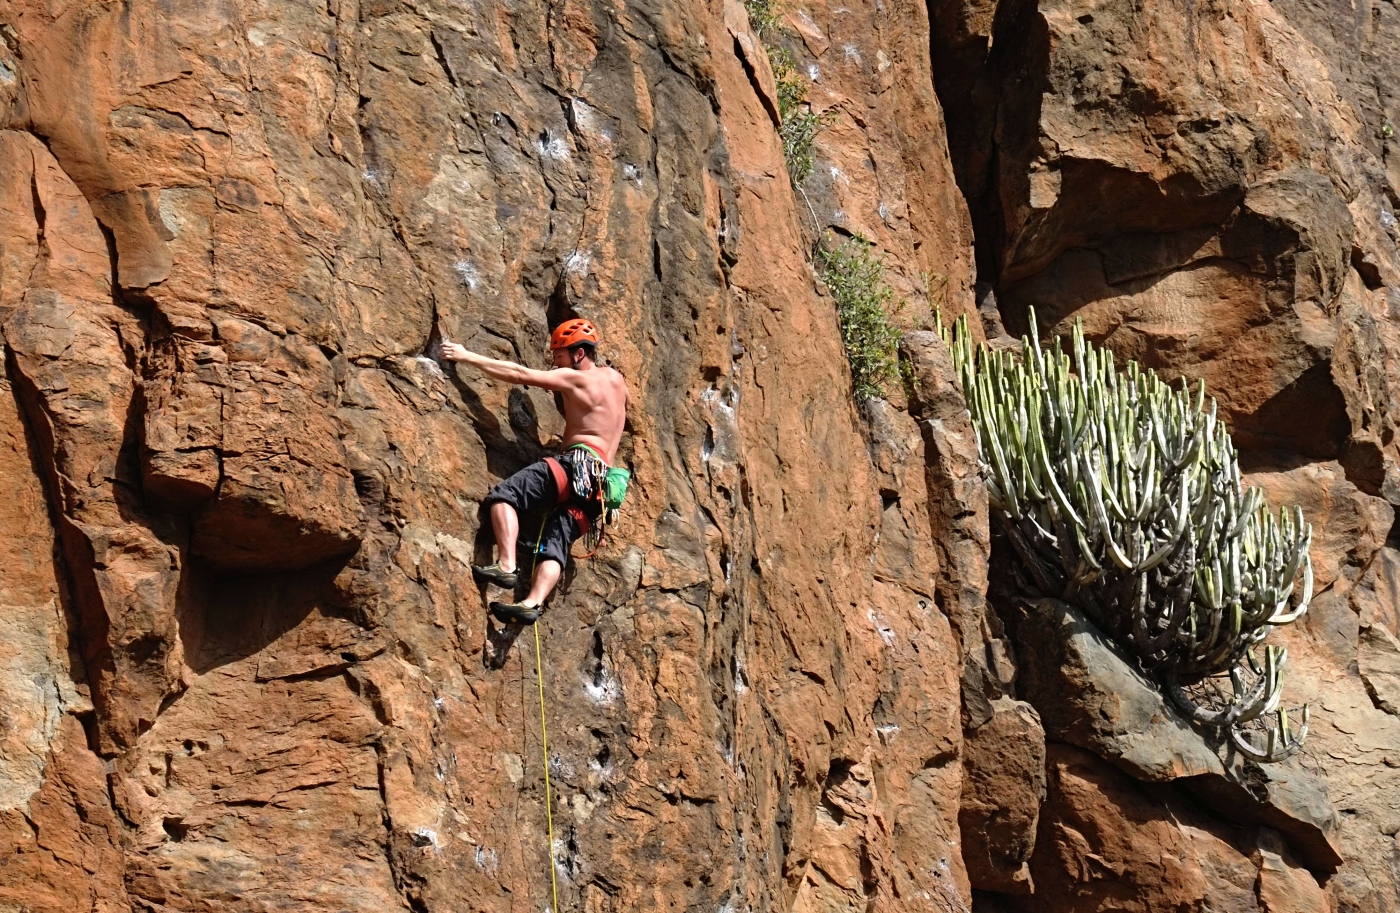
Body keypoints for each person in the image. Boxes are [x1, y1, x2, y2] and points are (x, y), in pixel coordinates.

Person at [441, 319, 629, 624]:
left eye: (560, 356)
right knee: (558, 541)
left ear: (579, 354)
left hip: (576, 466)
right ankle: (532, 602)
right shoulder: (617, 381)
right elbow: (623, 405)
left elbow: (519, 374)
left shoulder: (575, 379)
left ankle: (506, 566)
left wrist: (466, 355)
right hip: (600, 487)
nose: (555, 363)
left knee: (506, 495)